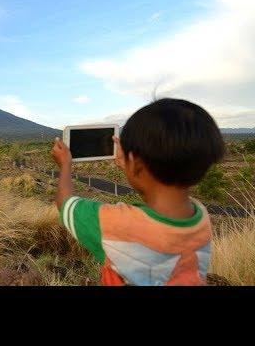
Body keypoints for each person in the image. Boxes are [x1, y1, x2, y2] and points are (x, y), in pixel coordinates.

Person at [51, 98, 225, 286]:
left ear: (135, 161)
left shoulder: (117, 223)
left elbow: (65, 203)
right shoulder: (201, 219)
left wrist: (65, 165)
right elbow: (160, 190)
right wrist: (132, 166)